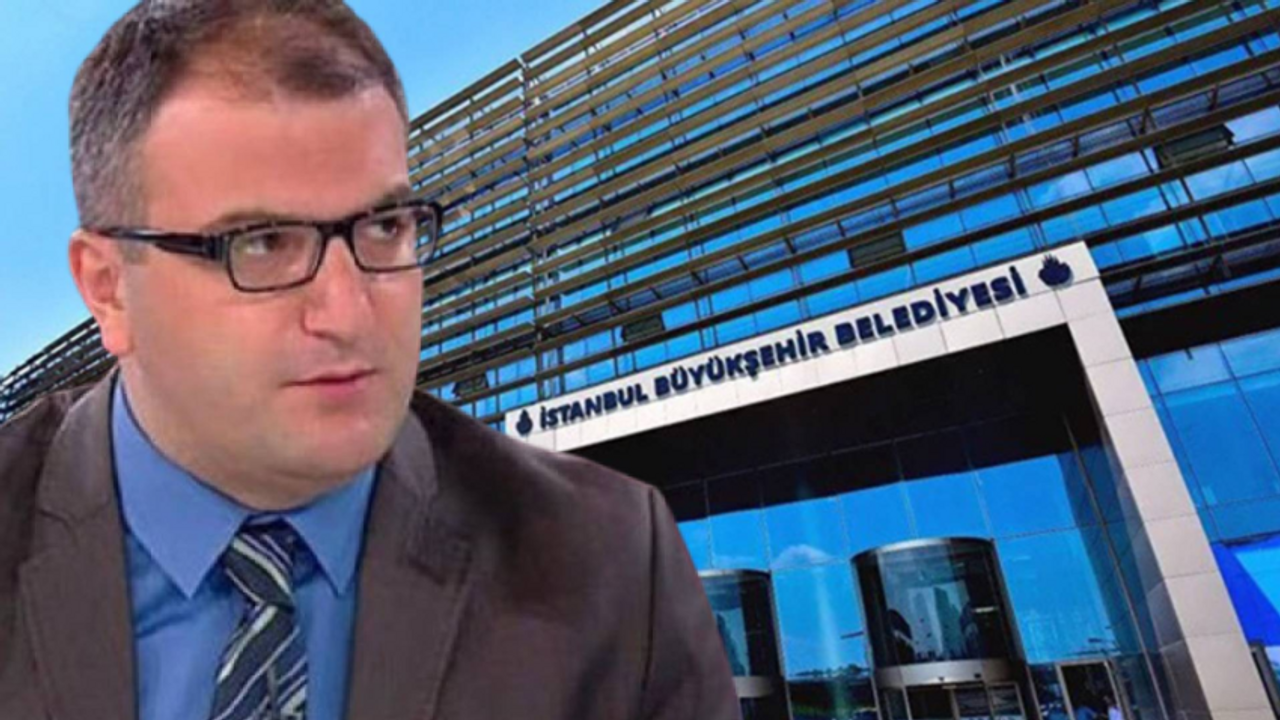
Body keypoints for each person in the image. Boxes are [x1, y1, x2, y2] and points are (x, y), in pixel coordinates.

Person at [0, 1, 739, 719]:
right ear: (108, 288)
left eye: (384, 227)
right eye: (262, 244)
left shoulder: (609, 563)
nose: (348, 313)